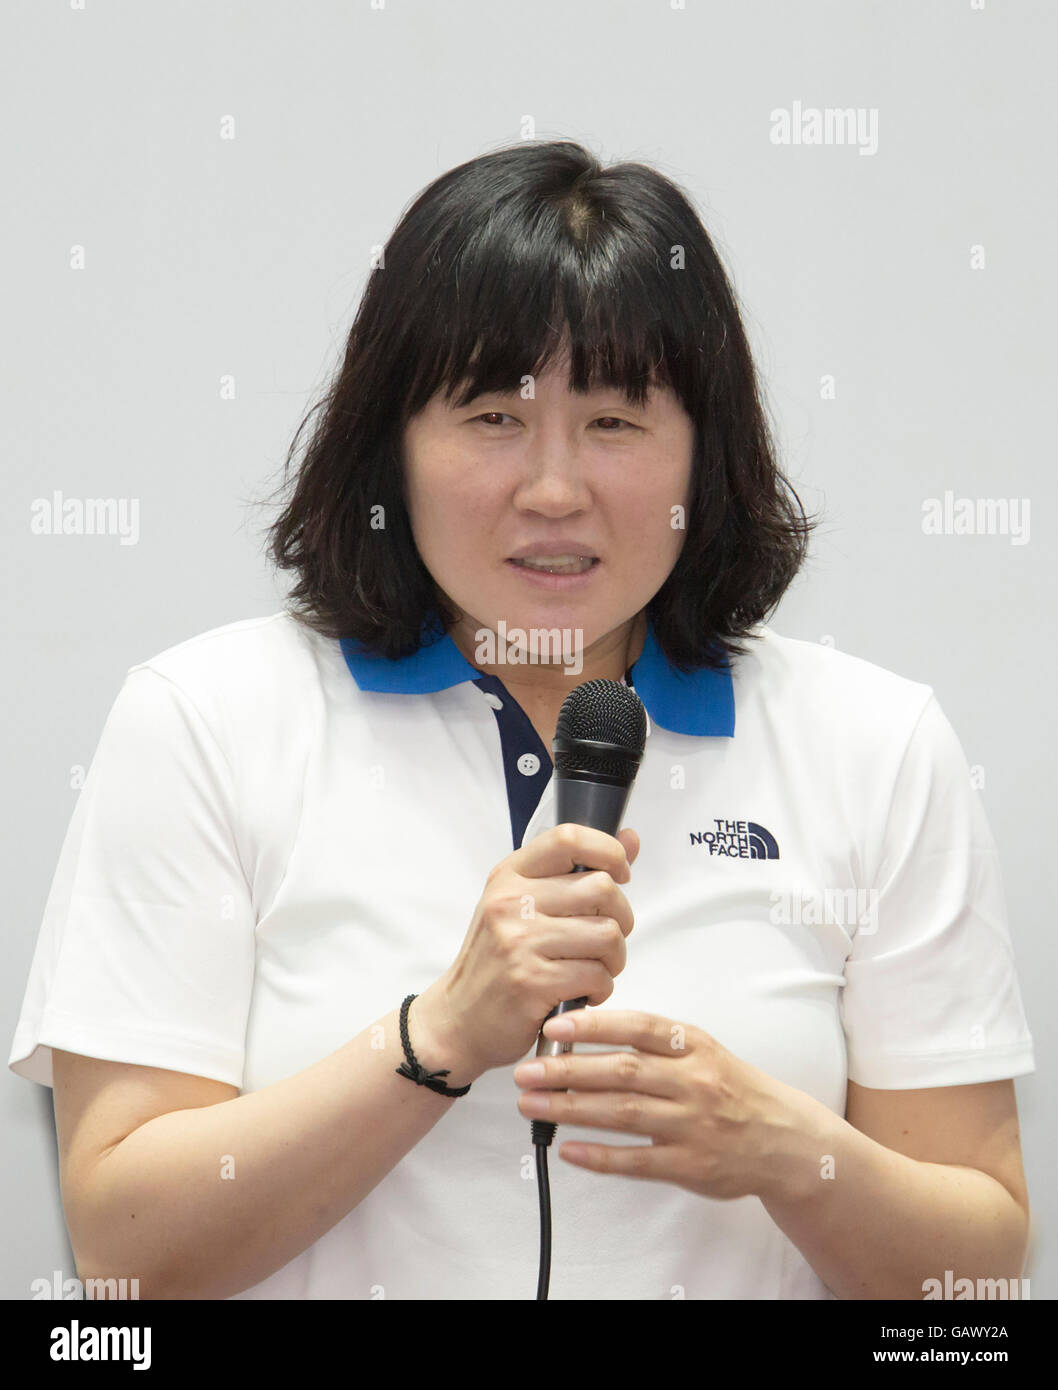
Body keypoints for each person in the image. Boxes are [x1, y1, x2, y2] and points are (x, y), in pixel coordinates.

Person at [9, 139, 1034, 1301]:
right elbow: (126, 1260)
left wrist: (785, 1150)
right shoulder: (204, 723)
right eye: (493, 416)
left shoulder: (873, 745)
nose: (554, 488)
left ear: (710, 452)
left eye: (615, 421)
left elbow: (978, 1280)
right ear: (389, 447)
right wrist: (436, 1035)